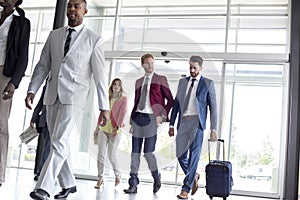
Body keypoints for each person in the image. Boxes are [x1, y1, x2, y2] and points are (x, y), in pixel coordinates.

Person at [25, 0, 109, 199]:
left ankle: (43, 187)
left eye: (76, 6)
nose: (72, 9)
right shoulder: (54, 35)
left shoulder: (93, 39)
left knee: (60, 140)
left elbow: (100, 76)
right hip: (52, 94)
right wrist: (32, 90)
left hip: (75, 97)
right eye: (69, 5)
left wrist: (104, 106)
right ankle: (69, 183)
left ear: (85, 11)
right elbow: (43, 65)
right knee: (57, 141)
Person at [168, 55, 218, 199]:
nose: (192, 70)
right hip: (183, 122)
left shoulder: (208, 83)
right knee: (180, 154)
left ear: (201, 68)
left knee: (194, 156)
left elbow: (213, 108)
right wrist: (171, 124)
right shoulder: (182, 82)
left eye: (194, 67)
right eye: (190, 67)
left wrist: (213, 129)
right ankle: (194, 174)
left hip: (198, 124)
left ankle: (186, 188)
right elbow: (176, 104)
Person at [123, 53, 174, 194]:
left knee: (148, 153)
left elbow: (170, 100)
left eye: (152, 62)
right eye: (148, 63)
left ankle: (156, 176)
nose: (151, 65)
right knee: (135, 153)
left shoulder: (160, 79)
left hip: (152, 119)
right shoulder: (139, 81)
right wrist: (132, 122)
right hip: (138, 117)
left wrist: (162, 116)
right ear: (142, 65)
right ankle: (133, 184)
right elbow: (137, 102)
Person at [0, 0, 30, 187]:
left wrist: (14, 82)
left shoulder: (21, 22)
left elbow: (23, 54)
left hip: (5, 73)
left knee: (1, 123)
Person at [94, 78, 127, 189]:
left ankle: (118, 175)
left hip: (115, 131)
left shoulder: (123, 99)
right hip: (103, 129)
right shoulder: (106, 99)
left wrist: (116, 127)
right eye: (114, 84)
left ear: (120, 87)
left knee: (111, 155)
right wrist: (97, 128)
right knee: (100, 155)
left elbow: (122, 114)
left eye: (118, 84)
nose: (116, 86)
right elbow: (102, 114)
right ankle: (100, 179)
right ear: (112, 86)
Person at [30, 83, 50, 181]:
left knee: (51, 147)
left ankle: (43, 171)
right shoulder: (47, 85)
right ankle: (42, 171)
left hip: (57, 120)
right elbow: (41, 102)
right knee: (47, 146)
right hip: (45, 120)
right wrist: (34, 117)